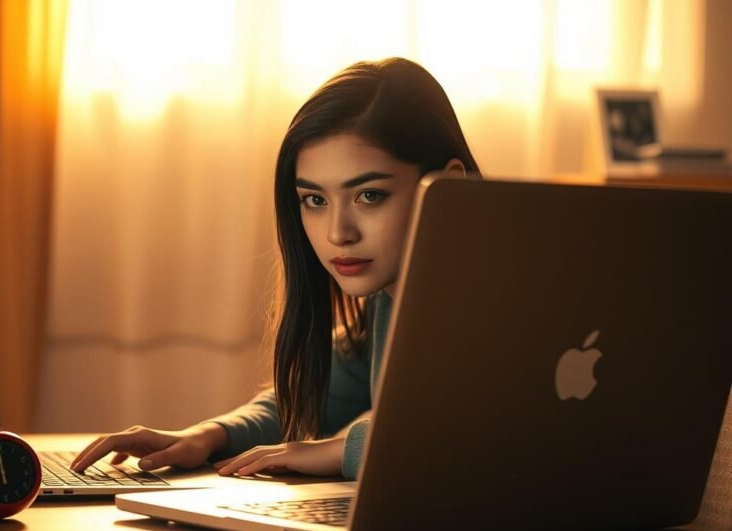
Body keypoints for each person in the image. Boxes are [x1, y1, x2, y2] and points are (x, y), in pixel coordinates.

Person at [71, 57, 480, 480]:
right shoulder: (387, 304)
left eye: (370, 195)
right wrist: (207, 435)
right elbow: (307, 398)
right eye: (315, 200)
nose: (338, 233)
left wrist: (340, 452)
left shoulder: (503, 303)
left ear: (450, 184)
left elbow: (474, 434)